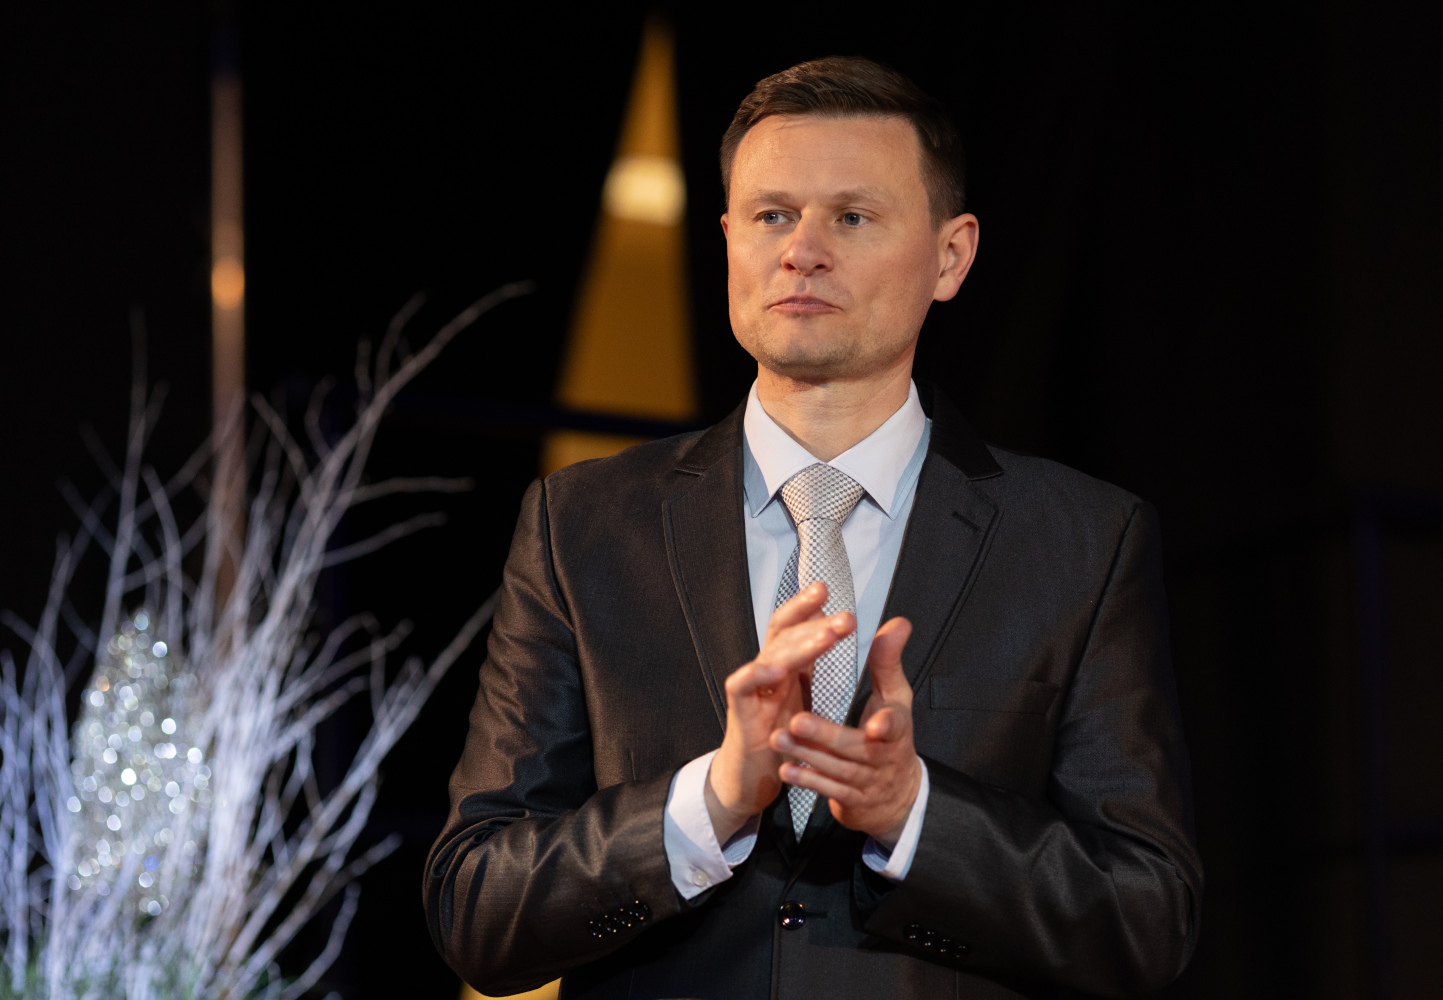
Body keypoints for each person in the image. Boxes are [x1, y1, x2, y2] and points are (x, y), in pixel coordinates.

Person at [424, 56, 1202, 1000]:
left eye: (852, 217)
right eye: (772, 215)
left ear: (951, 257)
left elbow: (1146, 918)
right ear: (728, 240)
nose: (801, 251)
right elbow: (475, 907)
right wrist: (711, 802)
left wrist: (914, 814)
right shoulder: (581, 525)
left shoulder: (1082, 540)